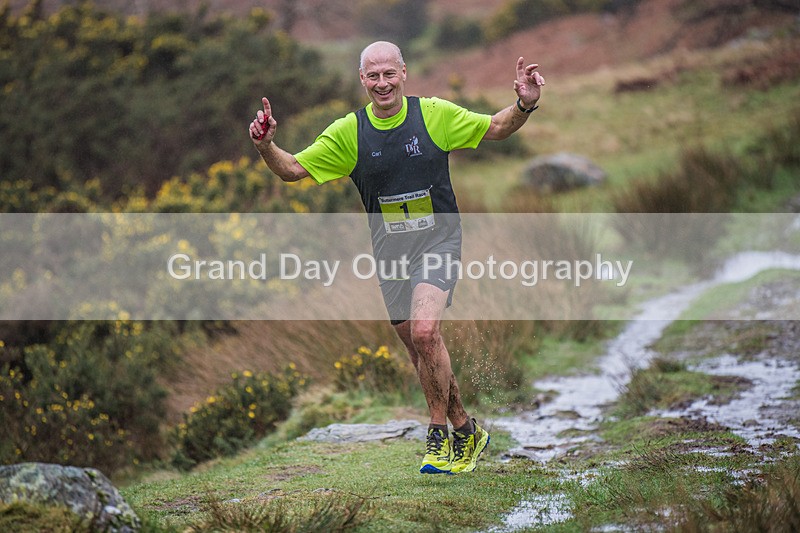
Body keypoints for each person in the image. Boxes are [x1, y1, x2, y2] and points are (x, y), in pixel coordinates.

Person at [249, 41, 544, 474]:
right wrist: (265, 146)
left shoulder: (434, 115)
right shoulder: (349, 132)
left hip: (439, 243)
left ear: (403, 73)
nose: (382, 83)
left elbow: (497, 127)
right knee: (421, 350)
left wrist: (523, 103)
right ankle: (467, 431)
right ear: (362, 80)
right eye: (373, 76)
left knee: (426, 334)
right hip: (390, 257)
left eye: (389, 73)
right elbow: (293, 169)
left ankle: (438, 437)